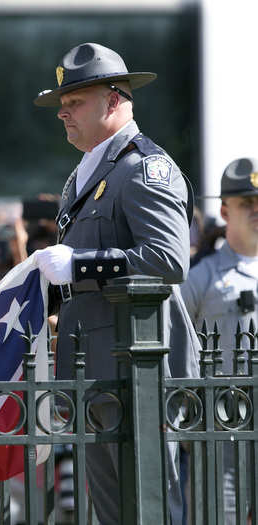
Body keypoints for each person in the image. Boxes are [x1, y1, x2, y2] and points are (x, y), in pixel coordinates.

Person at [31, 42, 200, 524]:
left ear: (112, 99)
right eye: (61, 104)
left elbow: (169, 258)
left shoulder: (145, 167)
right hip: (97, 369)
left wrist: (80, 265)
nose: (63, 112)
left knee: (148, 507)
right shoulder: (85, 174)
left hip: (138, 370)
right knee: (113, 512)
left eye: (74, 102)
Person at [181, 157, 258, 524]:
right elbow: (176, 349)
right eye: (247, 204)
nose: (256, 211)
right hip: (223, 427)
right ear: (226, 211)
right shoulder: (202, 278)